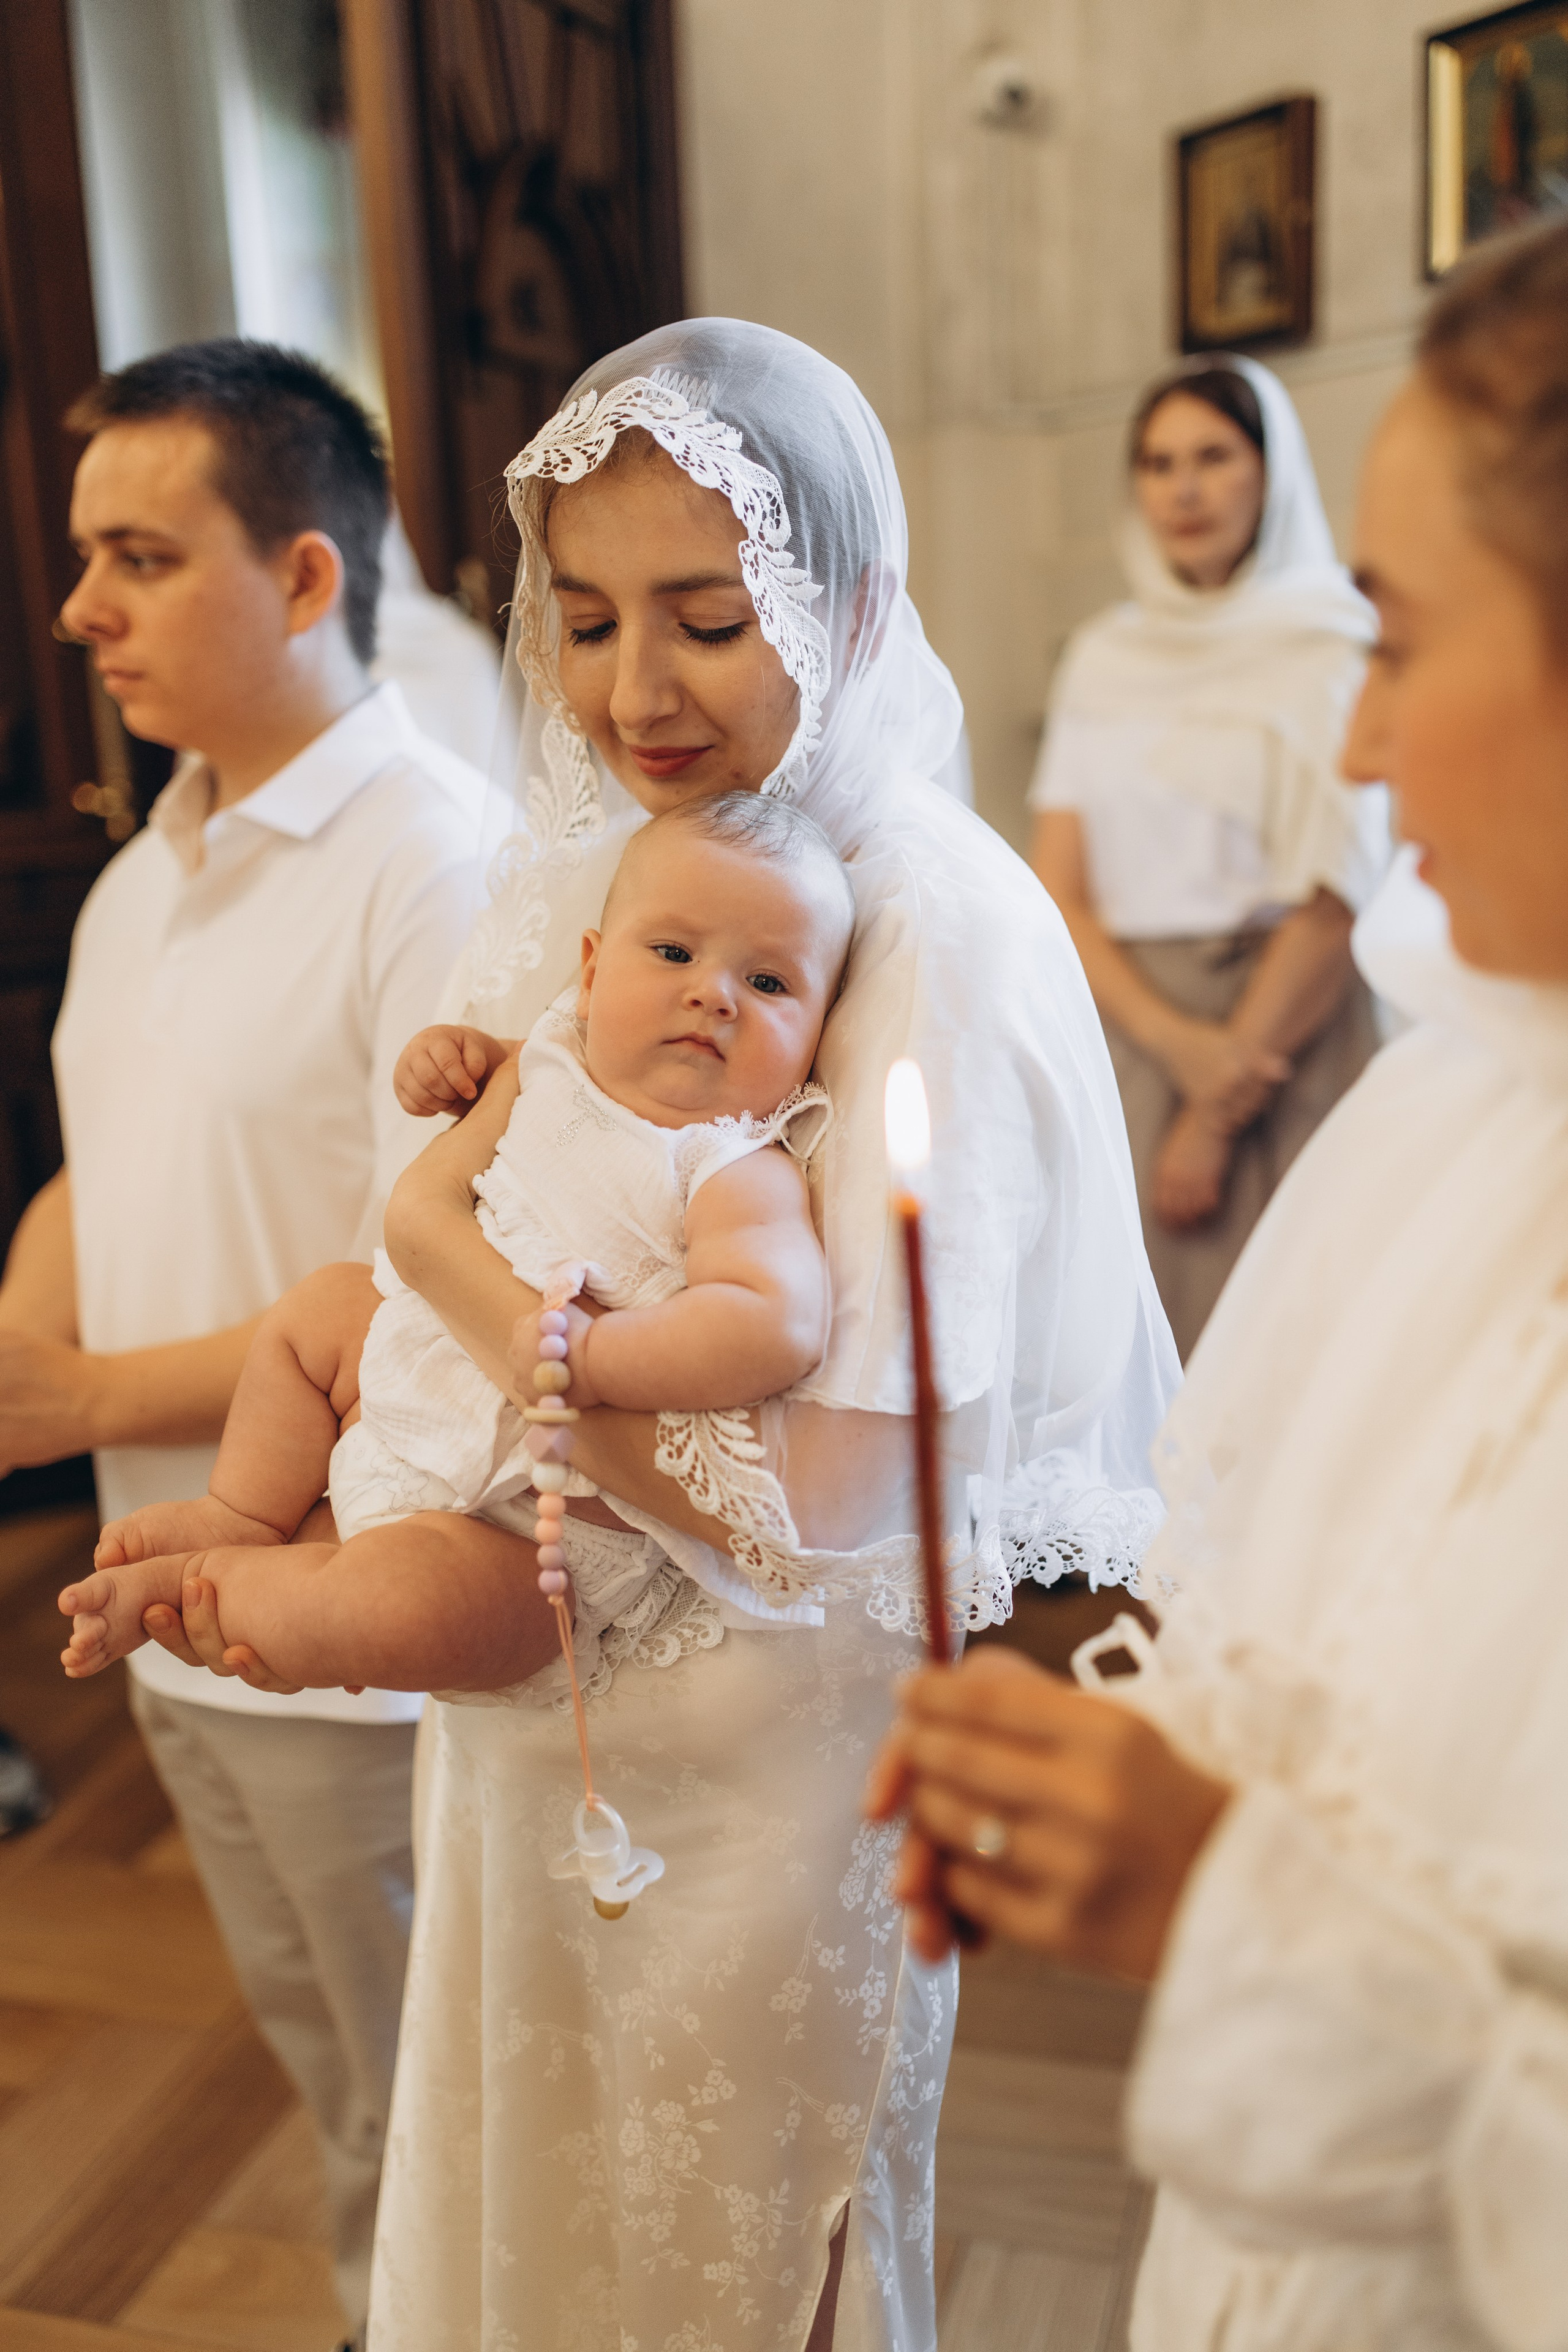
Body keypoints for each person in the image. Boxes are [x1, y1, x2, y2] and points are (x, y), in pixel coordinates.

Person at [137, 318, 1178, 2352]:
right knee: (530, 2232)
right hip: (538, 1731)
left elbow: (825, 1508)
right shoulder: (591, 876)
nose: (631, 692)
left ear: (850, 605)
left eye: (705, 617)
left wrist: (448, 1267)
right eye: (587, 618)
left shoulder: (934, 932)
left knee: (740, 2265)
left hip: (761, 1791)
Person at [870, 217, 1568, 2350]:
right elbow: (1344, 1640)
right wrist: (1128, 1788)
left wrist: (1221, 1905)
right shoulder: (1474, 1109)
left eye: (1401, 642)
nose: (1357, 749)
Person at [0, 336, 486, 2348]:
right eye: (82, 552)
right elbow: (106, 1156)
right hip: (172, 1572)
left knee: (422, 2100)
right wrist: (27, 1322)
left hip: (348, 1621)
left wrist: (85, 1398)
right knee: (329, 2061)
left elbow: (421, 1295)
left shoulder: (432, 866)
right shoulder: (146, 875)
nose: (77, 605)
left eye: (137, 554)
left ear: (301, 577)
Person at [59, 794, 851, 1692]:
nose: (714, 995)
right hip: (399, 1381)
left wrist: (600, 1359)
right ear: (590, 975)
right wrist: (454, 1055)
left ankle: (217, 1591)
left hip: (526, 1521)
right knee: (323, 1306)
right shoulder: (555, 1055)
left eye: (771, 983)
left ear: (821, 1032)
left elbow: (772, 1319)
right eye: (673, 953)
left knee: (400, 1606)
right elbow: (498, 1074)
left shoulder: (730, 1167)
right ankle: (238, 1511)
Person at [1030, 356, 1389, 1357]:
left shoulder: (1335, 639)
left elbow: (1337, 896)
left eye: (1213, 457)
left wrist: (1220, 1105)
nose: (1182, 489)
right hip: (1137, 1037)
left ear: (1271, 473)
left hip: (1294, 1032)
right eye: (1156, 463)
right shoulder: (1104, 654)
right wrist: (1180, 1049)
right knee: (1137, 1356)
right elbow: (1060, 888)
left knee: (1290, 1349)